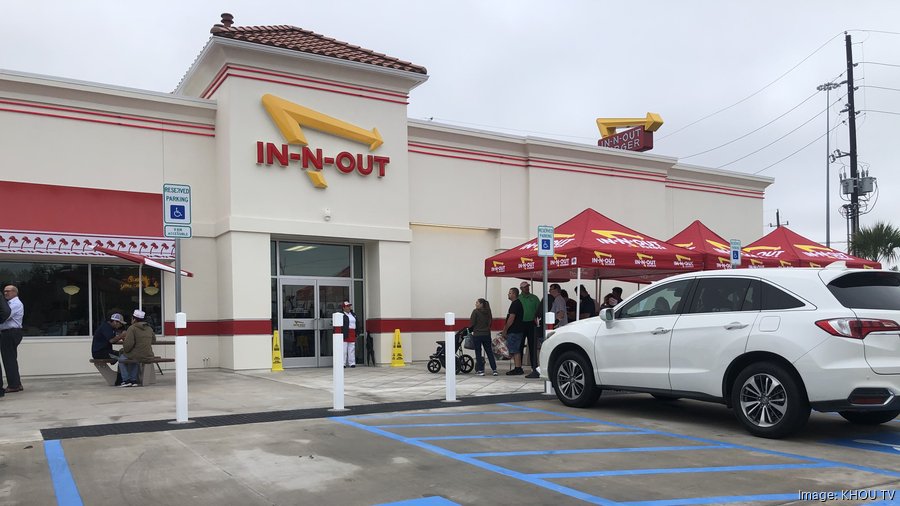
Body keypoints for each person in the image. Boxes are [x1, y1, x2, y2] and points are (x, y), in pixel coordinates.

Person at [117, 309, 155, 387]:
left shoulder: (132, 328)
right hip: (148, 355)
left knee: (121, 359)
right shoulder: (149, 328)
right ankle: (133, 380)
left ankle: (126, 380)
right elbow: (153, 340)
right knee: (133, 359)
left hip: (136, 355)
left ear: (134, 319)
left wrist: (125, 350)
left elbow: (128, 345)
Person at [1, 285, 25, 394]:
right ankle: (17, 383)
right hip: (10, 333)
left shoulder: (15, 304)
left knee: (8, 359)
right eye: (4, 291)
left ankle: (13, 385)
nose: (5, 293)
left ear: (15, 292)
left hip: (10, 332)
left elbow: (5, 315)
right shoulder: (10, 303)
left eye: (8, 291)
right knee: (11, 358)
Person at [499, 287, 526, 375]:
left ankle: (518, 368)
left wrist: (505, 330)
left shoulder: (515, 304)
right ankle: (517, 367)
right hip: (517, 330)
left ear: (514, 294)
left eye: (510, 293)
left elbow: (511, 318)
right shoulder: (517, 303)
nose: (508, 294)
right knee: (514, 350)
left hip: (514, 331)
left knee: (515, 350)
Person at [518, 282, 541, 379]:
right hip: (521, 323)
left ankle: (534, 366)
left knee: (532, 346)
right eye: (525, 287)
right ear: (521, 288)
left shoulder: (534, 298)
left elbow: (539, 310)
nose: (527, 288)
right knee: (519, 346)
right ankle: (519, 366)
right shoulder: (518, 298)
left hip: (532, 324)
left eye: (528, 287)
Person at [469, 298, 497, 376]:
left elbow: (472, 323)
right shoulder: (488, 312)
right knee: (489, 352)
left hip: (477, 335)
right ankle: (494, 369)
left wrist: (470, 330)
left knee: (478, 352)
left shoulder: (475, 312)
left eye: (477, 302)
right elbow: (490, 322)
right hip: (487, 334)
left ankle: (481, 370)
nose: (476, 304)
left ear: (481, 304)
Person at [338, 301, 357, 368]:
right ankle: (343, 363)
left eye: (349, 306)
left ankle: (352, 363)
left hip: (352, 332)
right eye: (347, 306)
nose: (349, 307)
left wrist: (357, 332)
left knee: (351, 348)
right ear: (343, 308)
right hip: (345, 333)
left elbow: (357, 323)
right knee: (344, 349)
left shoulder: (353, 314)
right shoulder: (342, 315)